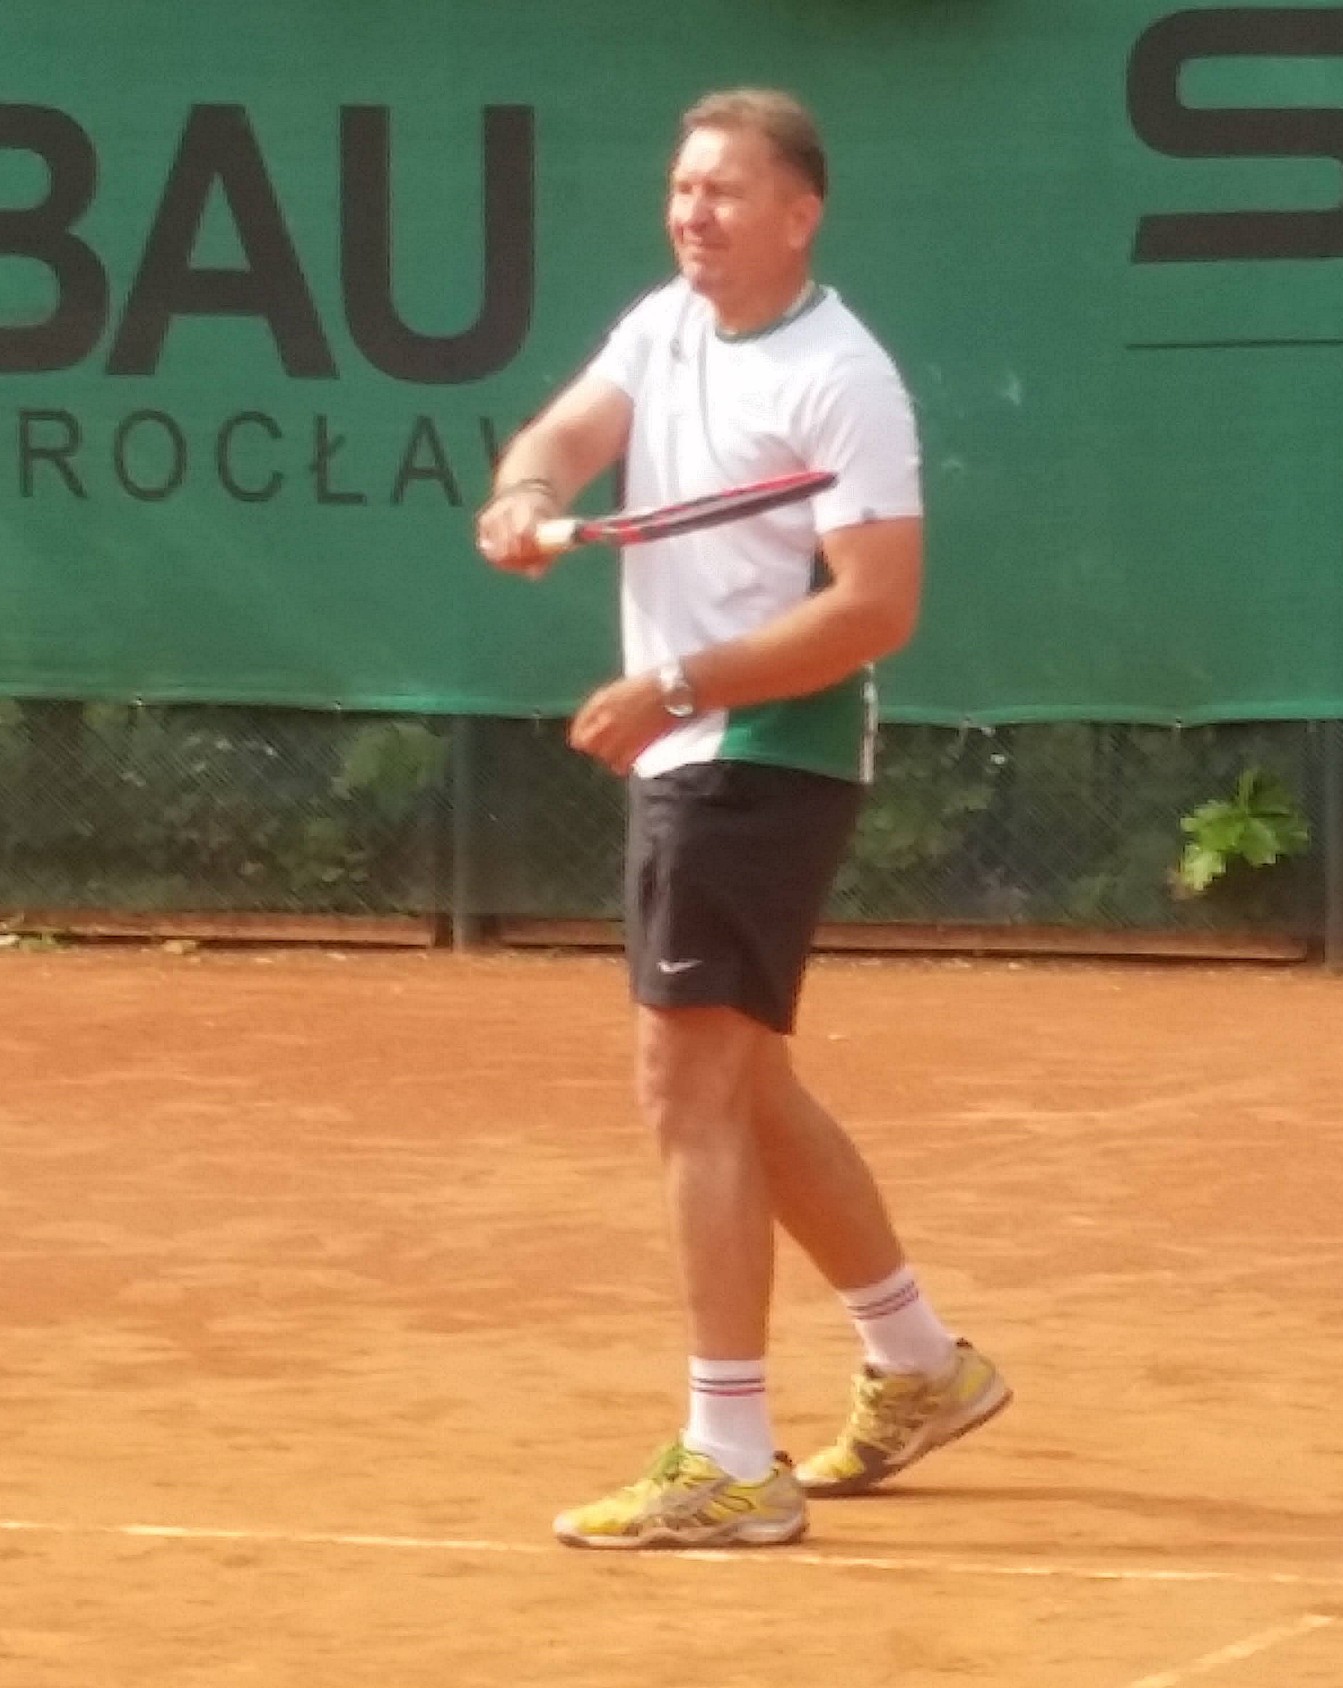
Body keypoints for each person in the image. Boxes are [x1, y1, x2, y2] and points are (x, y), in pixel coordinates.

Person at [472, 89, 1008, 1551]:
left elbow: (877, 607)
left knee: (685, 1091)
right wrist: (527, 490)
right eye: (681, 187)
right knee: (744, 1084)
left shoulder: (844, 380)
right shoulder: (666, 326)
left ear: (799, 213)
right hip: (695, 744)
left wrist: (679, 683)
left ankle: (730, 1458)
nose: (690, 212)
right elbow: (569, 430)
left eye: (722, 190)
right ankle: (918, 1362)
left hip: (764, 745)